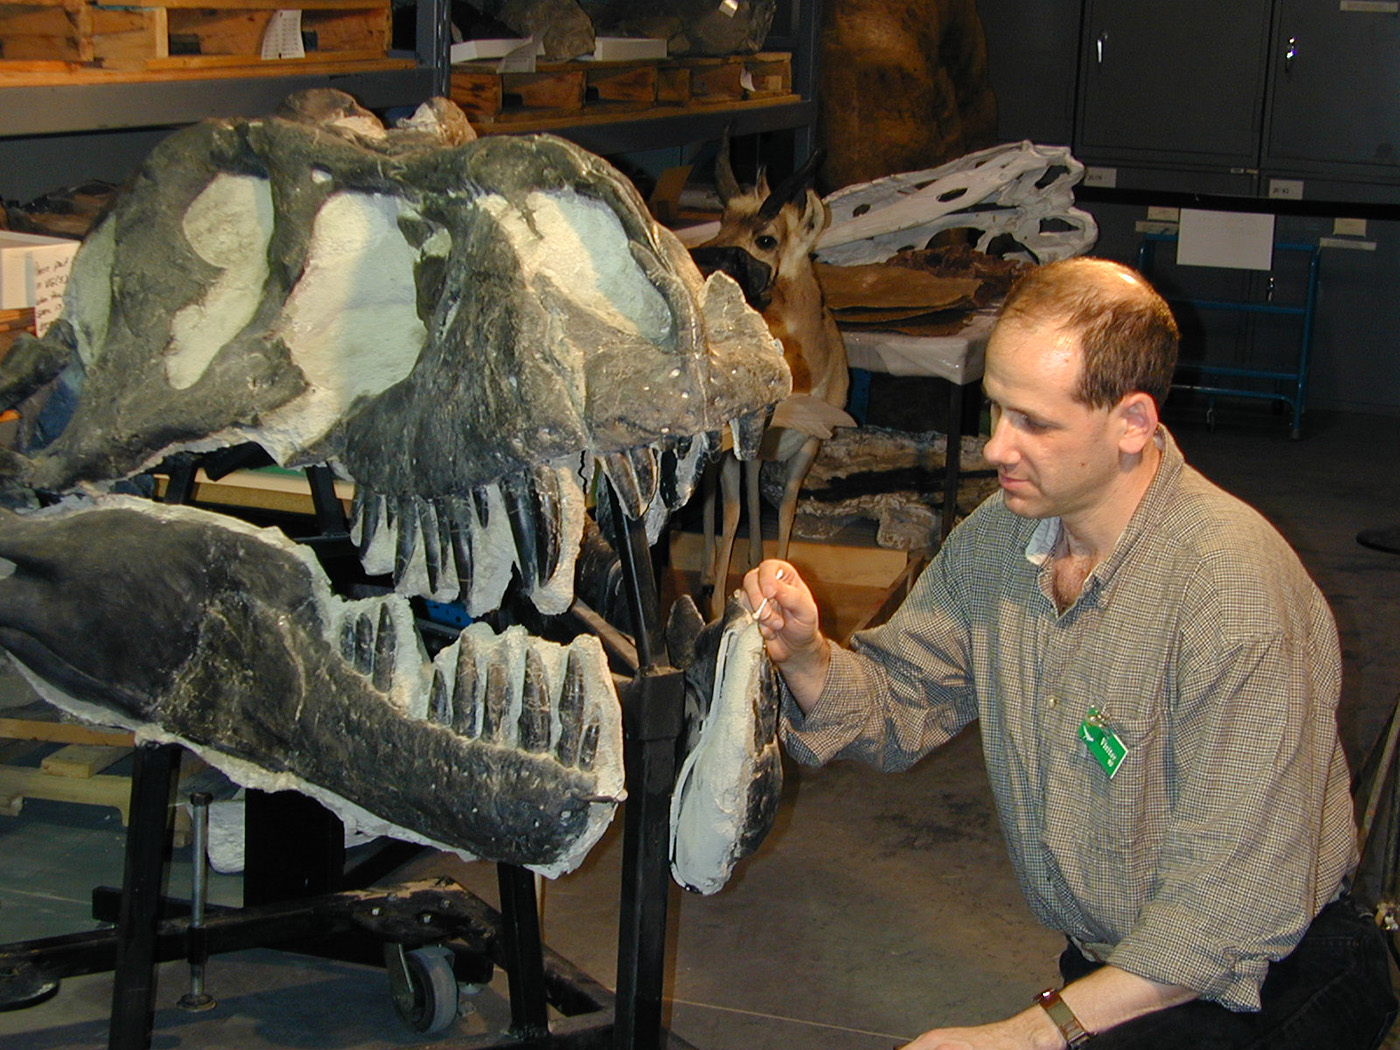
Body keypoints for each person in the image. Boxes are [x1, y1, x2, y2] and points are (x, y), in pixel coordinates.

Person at [741, 257, 1396, 1050]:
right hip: (1120, 966)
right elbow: (900, 698)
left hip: (1267, 975)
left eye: (1034, 423)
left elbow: (1225, 913)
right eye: (995, 412)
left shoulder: (1232, 594)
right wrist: (807, 653)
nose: (994, 449)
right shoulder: (1002, 541)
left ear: (1133, 424)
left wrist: (1031, 1031)